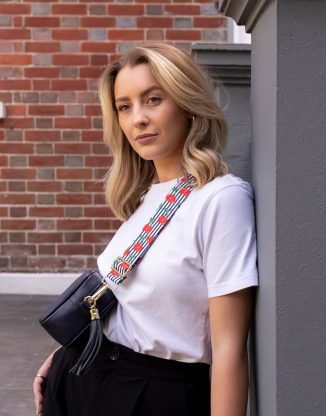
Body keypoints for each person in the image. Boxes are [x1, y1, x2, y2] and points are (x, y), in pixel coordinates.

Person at [33, 42, 259, 416]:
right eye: (124, 106)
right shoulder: (147, 197)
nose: (137, 118)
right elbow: (130, 305)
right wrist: (64, 354)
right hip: (85, 379)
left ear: (186, 103)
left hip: (153, 395)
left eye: (153, 99)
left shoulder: (221, 199)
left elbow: (230, 350)